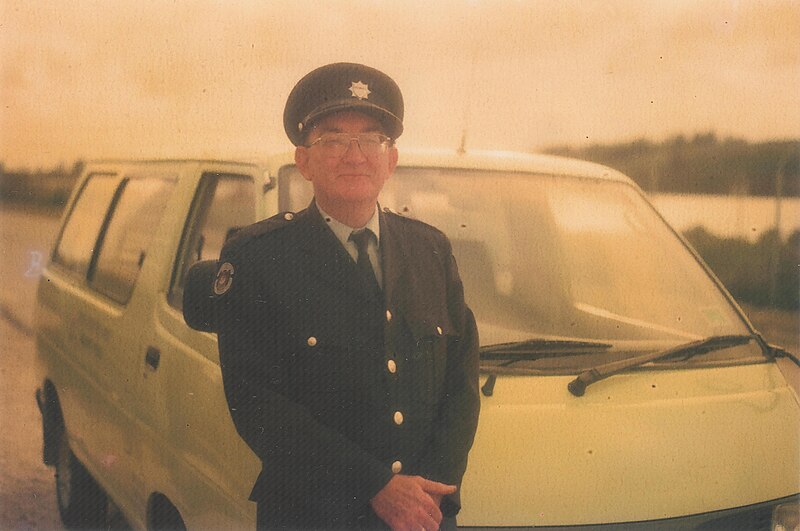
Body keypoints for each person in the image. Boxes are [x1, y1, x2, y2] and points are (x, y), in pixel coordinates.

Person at [214, 62, 480, 530]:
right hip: (314, 514)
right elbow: (256, 404)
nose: (354, 155)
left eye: (372, 139)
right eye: (333, 140)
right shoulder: (258, 258)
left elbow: (462, 378)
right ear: (304, 162)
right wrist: (374, 486)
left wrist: (426, 493)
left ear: (391, 159)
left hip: (422, 516)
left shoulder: (431, 249)